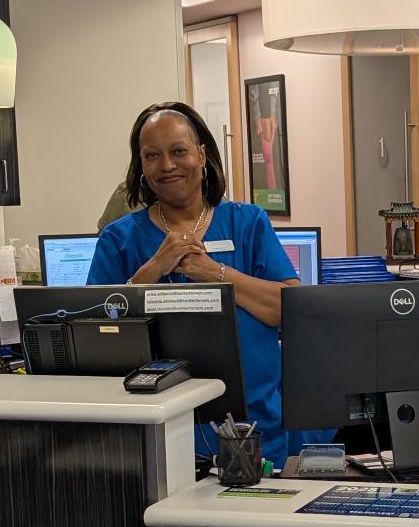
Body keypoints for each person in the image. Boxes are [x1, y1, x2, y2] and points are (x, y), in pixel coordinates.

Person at [87, 101, 299, 467]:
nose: (167, 165)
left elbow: (289, 308)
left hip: (253, 429)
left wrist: (216, 273)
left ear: (201, 155)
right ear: (141, 167)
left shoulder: (247, 223)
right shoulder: (119, 239)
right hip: (154, 432)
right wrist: (153, 269)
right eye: (152, 156)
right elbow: (95, 334)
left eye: (178, 151)